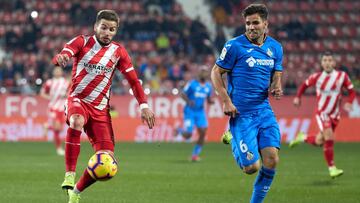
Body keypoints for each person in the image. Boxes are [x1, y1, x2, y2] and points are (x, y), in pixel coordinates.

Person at [52, 10, 155, 203]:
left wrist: (144, 106)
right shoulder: (82, 42)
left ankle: (76, 191)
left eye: (112, 29)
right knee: (76, 121)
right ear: (95, 27)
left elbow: (133, 81)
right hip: (78, 99)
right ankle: (69, 175)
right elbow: (63, 54)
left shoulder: (118, 52)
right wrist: (61, 58)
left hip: (100, 110)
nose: (107, 32)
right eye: (104, 27)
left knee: (107, 163)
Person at [211, 4, 283, 203]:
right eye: (248, 23)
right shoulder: (234, 46)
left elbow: (277, 72)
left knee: (272, 159)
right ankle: (233, 136)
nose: (251, 27)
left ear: (265, 24)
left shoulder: (275, 48)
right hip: (241, 114)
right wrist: (226, 101)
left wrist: (277, 85)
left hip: (264, 111)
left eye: (255, 23)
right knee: (251, 168)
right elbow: (216, 72)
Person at [289, 51, 356, 178]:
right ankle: (332, 168)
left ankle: (302, 137)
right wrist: (298, 97)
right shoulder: (317, 77)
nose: (327, 63)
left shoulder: (342, 76)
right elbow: (304, 85)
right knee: (329, 137)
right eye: (325, 60)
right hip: (322, 113)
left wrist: (350, 102)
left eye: (330, 60)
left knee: (320, 141)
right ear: (321, 63)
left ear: (334, 63)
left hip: (335, 115)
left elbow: (351, 92)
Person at [177, 66, 214, 161]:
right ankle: (179, 130)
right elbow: (183, 94)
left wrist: (211, 101)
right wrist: (189, 101)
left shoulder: (208, 86)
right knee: (188, 134)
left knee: (203, 133)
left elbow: (209, 99)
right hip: (190, 111)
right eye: (202, 71)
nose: (203, 73)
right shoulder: (192, 84)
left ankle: (195, 155)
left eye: (205, 71)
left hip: (200, 112)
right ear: (199, 73)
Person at [40, 66, 69, 156]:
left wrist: (66, 95)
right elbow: (42, 93)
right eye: (56, 71)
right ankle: (59, 148)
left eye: (59, 70)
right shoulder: (49, 82)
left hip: (62, 108)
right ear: (53, 72)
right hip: (53, 107)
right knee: (56, 128)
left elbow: (70, 92)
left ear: (61, 72)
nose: (57, 72)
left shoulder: (66, 82)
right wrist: (49, 97)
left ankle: (47, 127)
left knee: (58, 129)